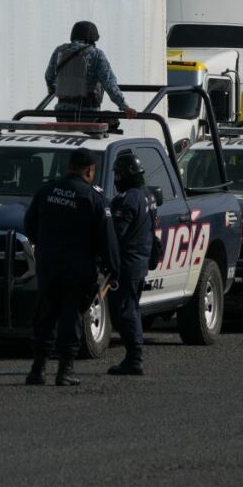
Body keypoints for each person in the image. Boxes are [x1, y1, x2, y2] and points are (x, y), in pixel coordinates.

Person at [23, 149, 120, 386]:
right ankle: (65, 371)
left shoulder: (46, 191)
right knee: (70, 317)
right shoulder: (93, 197)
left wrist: (44, 245)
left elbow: (29, 224)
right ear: (89, 171)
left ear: (69, 167)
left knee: (45, 314)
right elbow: (106, 239)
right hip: (78, 268)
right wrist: (113, 269)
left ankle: (37, 370)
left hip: (48, 265)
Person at [107, 152, 158, 376]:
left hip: (128, 263)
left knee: (125, 311)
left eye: (118, 174)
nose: (116, 178)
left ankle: (134, 357)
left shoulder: (127, 199)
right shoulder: (147, 195)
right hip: (140, 260)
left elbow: (117, 234)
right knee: (131, 309)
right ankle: (133, 355)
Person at [45, 21, 137, 119]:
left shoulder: (59, 51)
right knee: (112, 120)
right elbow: (109, 85)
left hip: (62, 116)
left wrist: (55, 90)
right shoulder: (96, 54)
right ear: (92, 38)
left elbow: (49, 77)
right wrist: (124, 107)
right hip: (88, 116)